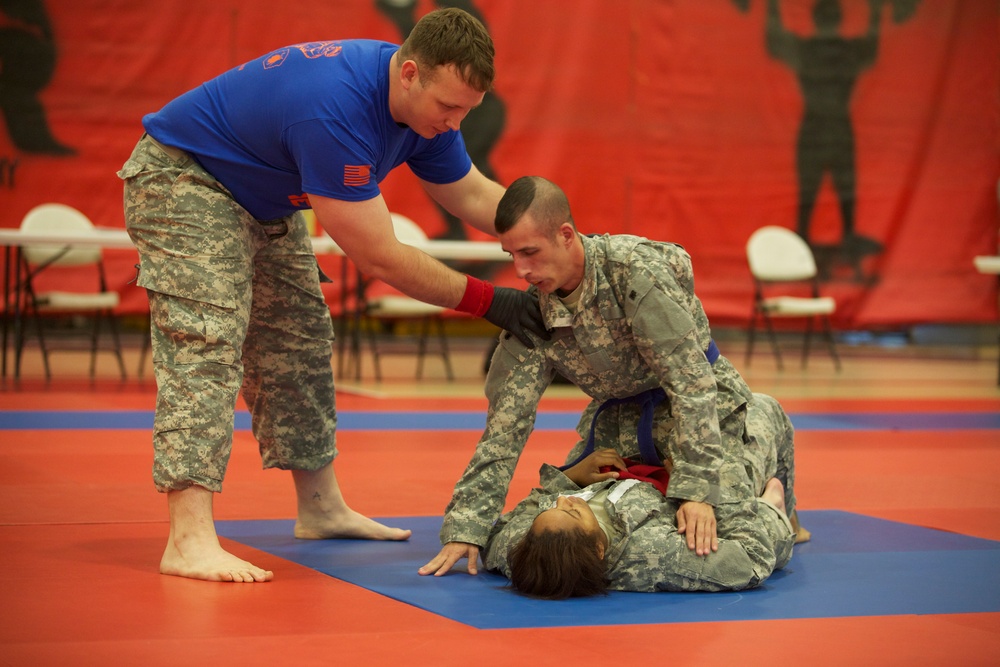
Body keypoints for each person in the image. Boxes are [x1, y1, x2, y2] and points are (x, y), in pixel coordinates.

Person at [117, 8, 546, 583]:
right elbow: (380, 256)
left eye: (467, 110)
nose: (454, 122)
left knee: (300, 339)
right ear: (410, 73)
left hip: (264, 198)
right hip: (185, 179)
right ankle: (188, 537)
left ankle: (320, 508)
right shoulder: (337, 107)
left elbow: (470, 193)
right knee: (208, 341)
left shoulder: (427, 113)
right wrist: (494, 303)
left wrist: (559, 244)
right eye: (449, 107)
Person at [419, 175, 809, 584]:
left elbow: (691, 386)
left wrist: (696, 491)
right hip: (618, 429)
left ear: (566, 235)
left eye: (530, 252)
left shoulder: (634, 273)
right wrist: (467, 529)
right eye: (512, 255)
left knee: (714, 526)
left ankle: (778, 506)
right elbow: (504, 427)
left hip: (701, 419)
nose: (521, 270)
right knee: (558, 530)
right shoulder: (536, 314)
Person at [488, 393, 796, 597]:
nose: (566, 500)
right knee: (761, 408)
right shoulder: (655, 555)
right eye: (573, 512)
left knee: (628, 393)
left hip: (620, 466)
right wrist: (695, 488)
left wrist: (567, 478)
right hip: (684, 484)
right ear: (598, 549)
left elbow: (496, 534)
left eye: (555, 505)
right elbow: (753, 559)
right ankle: (784, 514)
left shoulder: (527, 551)